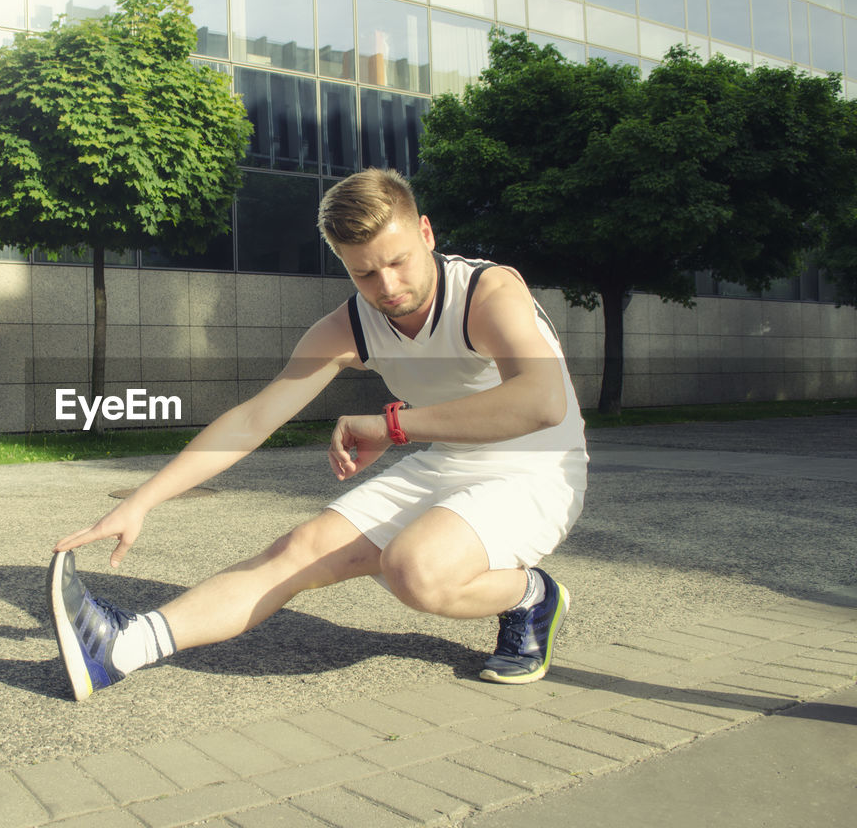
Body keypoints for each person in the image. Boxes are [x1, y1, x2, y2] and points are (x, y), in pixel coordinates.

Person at [49, 168, 588, 701]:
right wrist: (142, 501)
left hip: (540, 466)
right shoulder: (349, 326)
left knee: (415, 568)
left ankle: (530, 596)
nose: (387, 288)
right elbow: (254, 418)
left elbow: (541, 401)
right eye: (364, 274)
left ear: (425, 233)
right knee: (297, 549)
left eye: (398, 262)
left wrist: (395, 424)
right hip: (452, 457)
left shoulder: (486, 292)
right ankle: (119, 648)